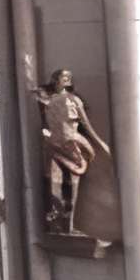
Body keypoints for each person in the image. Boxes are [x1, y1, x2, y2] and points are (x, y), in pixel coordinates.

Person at [37, 67, 110, 235]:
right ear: (56, 80)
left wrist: (99, 143)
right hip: (55, 145)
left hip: (72, 144)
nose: (67, 80)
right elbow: (45, 124)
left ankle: (68, 225)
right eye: (64, 77)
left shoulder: (74, 100)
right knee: (55, 183)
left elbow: (86, 124)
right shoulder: (48, 101)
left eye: (68, 77)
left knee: (73, 184)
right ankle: (57, 223)